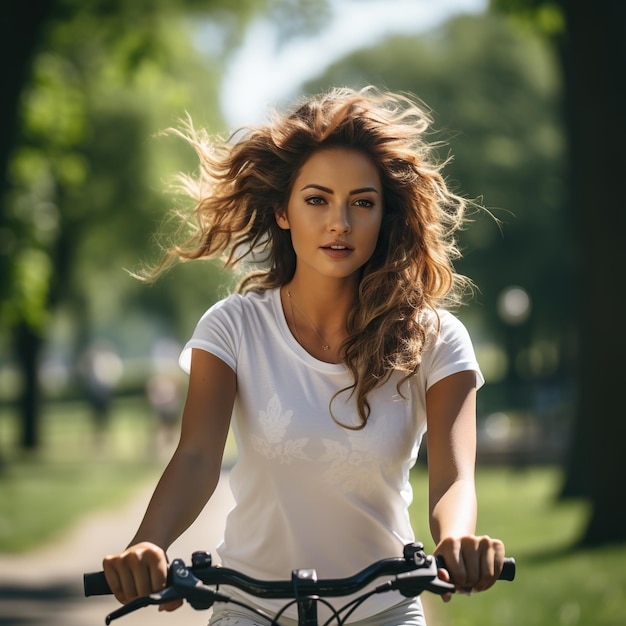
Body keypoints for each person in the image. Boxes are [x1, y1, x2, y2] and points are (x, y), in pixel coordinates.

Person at [102, 86, 506, 626]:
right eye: (317, 199)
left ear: (384, 215)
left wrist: (458, 540)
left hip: (385, 607)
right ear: (284, 212)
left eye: (362, 202)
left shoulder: (436, 338)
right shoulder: (233, 327)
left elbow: (455, 480)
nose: (339, 222)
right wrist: (146, 545)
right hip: (248, 609)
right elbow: (198, 456)